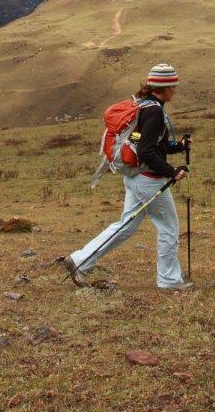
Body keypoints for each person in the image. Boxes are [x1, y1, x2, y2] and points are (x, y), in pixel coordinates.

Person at [63, 63, 194, 291]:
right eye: (173, 85)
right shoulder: (154, 111)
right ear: (163, 87)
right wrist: (171, 171)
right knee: (169, 228)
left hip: (134, 177)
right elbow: (146, 151)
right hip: (147, 180)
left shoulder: (143, 106)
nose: (175, 89)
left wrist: (178, 146)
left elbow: (143, 141)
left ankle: (80, 260)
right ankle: (169, 281)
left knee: (126, 226)